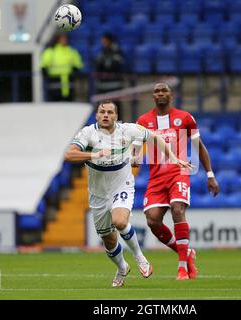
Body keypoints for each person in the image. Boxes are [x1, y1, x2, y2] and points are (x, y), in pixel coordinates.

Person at [64, 100, 192, 287]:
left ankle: (140, 257)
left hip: (121, 185)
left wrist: (173, 159)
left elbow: (155, 137)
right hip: (98, 193)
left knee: (120, 221)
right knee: (108, 239)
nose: (106, 115)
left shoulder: (128, 130)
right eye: (102, 112)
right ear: (97, 115)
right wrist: (94, 155)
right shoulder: (88, 133)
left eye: (110, 112)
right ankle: (122, 267)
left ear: (116, 116)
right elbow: (69, 155)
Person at [132, 83, 220, 280]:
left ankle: (182, 268)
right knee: (153, 220)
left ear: (171, 94)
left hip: (179, 172)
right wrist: (134, 157)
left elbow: (199, 146)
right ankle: (187, 254)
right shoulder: (143, 121)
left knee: (177, 209)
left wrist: (210, 174)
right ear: (153, 96)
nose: (160, 93)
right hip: (155, 178)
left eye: (164, 90)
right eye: (156, 91)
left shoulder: (185, 118)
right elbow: (136, 150)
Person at [40, 34, 83, 102]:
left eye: (65, 39)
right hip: (55, 80)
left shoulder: (71, 51)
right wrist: (45, 71)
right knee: (55, 103)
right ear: (57, 40)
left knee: (69, 103)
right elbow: (44, 65)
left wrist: (75, 69)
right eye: (62, 39)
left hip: (68, 81)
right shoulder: (51, 51)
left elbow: (78, 64)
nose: (64, 40)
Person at [94, 33, 125, 120]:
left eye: (104, 40)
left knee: (115, 108)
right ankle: (104, 130)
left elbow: (116, 65)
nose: (102, 42)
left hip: (115, 86)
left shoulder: (117, 50)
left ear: (109, 40)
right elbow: (98, 65)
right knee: (104, 109)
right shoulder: (102, 51)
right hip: (102, 87)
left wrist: (106, 62)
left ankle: (118, 128)